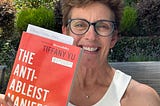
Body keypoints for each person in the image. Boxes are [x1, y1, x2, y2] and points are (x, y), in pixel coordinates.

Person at [0, 0, 160, 106]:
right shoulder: (33, 92)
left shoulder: (141, 99)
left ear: (113, 37)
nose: (91, 36)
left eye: (103, 26)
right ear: (65, 33)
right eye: (80, 25)